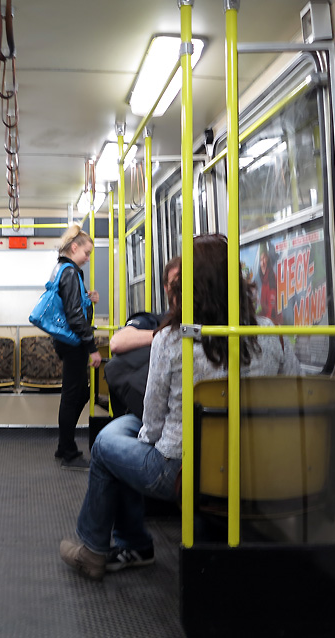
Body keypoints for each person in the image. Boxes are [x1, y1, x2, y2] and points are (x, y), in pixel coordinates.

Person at [60, 234, 300, 580]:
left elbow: (153, 425)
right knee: (122, 432)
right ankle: (123, 544)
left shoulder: (174, 339)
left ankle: (101, 548)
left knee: (106, 447)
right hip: (256, 464)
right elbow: (289, 395)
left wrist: (147, 442)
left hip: (183, 471)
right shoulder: (271, 333)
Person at [51, 225, 101, 470]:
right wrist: (92, 347)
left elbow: (75, 307)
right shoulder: (71, 272)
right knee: (73, 395)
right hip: (74, 342)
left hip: (67, 341)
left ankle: (64, 445)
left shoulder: (62, 269)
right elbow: (74, 315)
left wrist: (88, 300)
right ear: (74, 247)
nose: (88, 258)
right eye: (87, 252)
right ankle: (68, 451)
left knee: (76, 394)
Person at [105, 257, 181, 418]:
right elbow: (117, 343)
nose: (180, 289)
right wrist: (168, 334)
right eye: (175, 284)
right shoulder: (154, 321)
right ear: (166, 288)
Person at [257, 242, 280, 324]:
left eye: (264, 259)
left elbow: (272, 308)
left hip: (272, 322)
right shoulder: (263, 280)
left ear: (268, 260)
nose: (262, 263)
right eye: (260, 260)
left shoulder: (271, 279)